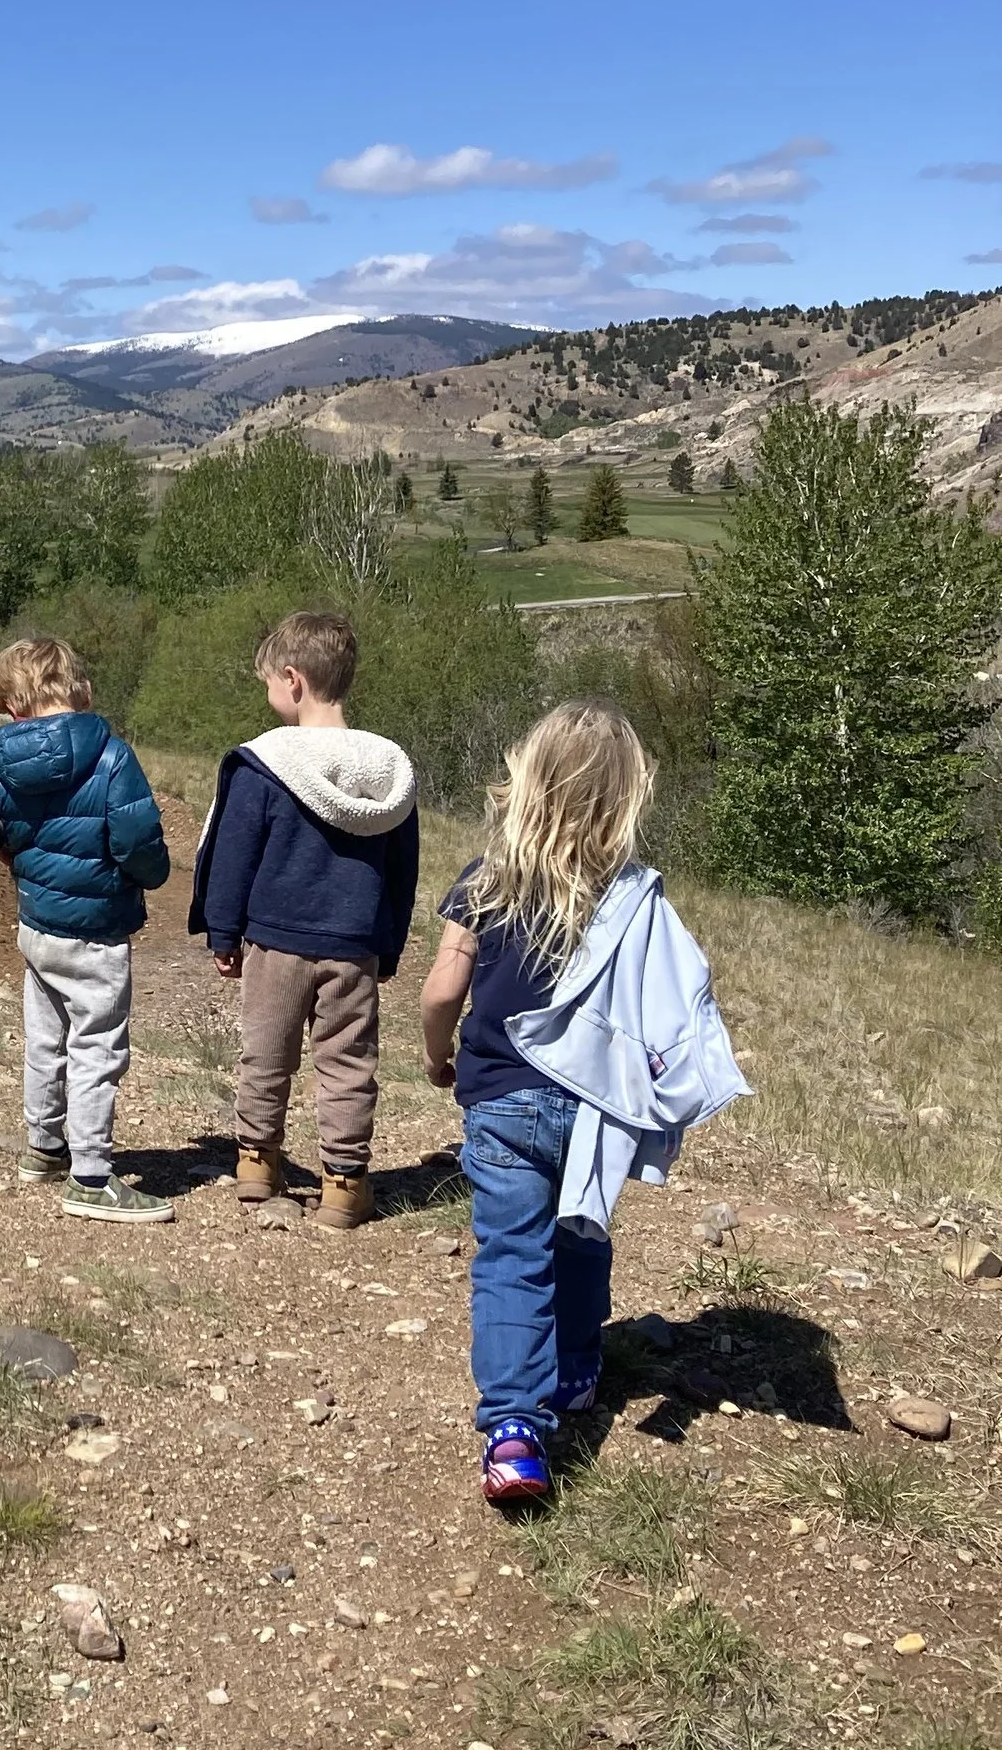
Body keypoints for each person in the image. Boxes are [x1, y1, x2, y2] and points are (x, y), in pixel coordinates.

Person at [422, 699, 747, 1508]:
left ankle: (512, 1432)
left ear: (525, 781)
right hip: (597, 1111)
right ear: (627, 799)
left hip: (500, 1102)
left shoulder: (487, 878)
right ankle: (573, 1372)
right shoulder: (634, 897)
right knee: (581, 1233)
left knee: (509, 1259)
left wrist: (438, 1050)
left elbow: (441, 991)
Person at [188, 609, 420, 1230]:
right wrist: (388, 945)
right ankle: (344, 1184)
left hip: (275, 940)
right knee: (348, 1063)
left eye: (268, 681)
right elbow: (404, 869)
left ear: (293, 679)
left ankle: (256, 1162)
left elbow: (234, 853)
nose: (267, 695)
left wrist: (223, 931)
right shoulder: (387, 773)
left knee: (265, 1051)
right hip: (354, 945)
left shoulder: (266, 762)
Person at [0, 635, 175, 1222]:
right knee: (96, 1043)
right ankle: (92, 1176)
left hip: (37, 923)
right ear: (81, 690)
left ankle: (45, 1148)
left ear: (11, 706)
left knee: (45, 1038)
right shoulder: (111, 756)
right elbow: (136, 842)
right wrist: (151, 875)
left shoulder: (2, 759)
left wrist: (11, 856)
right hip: (96, 929)